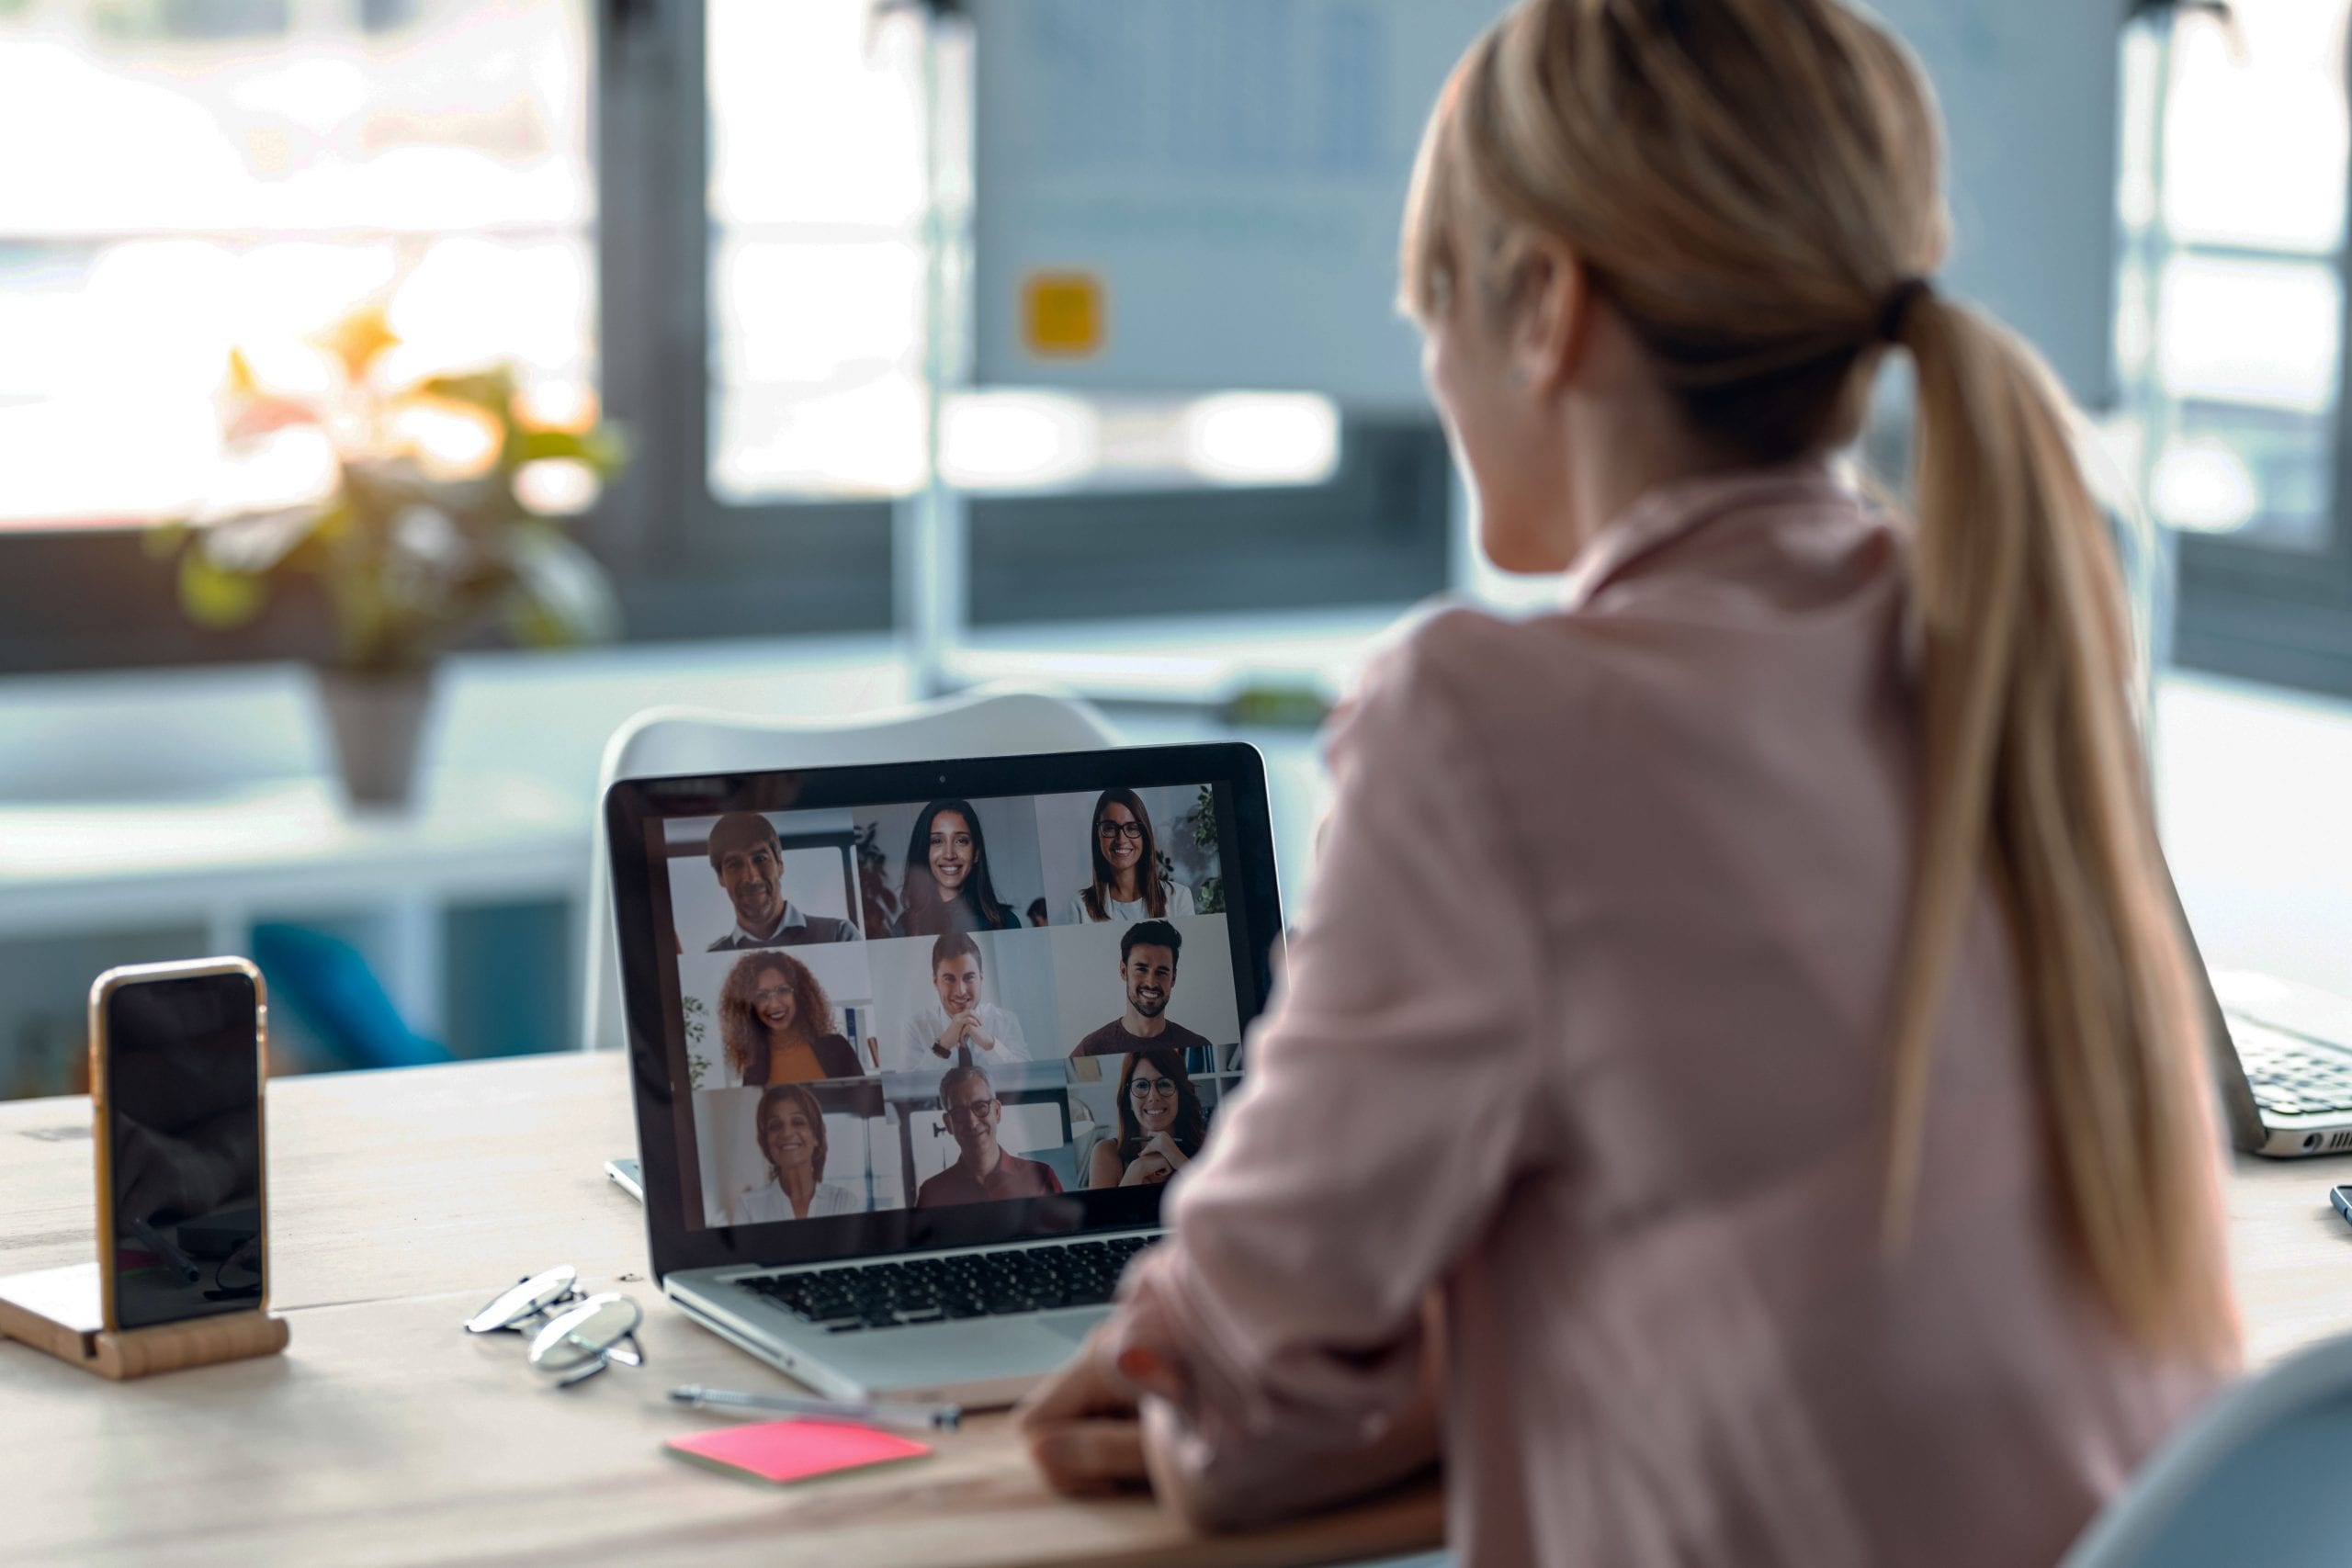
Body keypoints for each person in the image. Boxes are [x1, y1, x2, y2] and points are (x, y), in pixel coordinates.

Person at [1016, 3, 2238, 1562]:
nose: (1437, 376)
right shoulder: (1993, 632)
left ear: (1547, 312)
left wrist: (1214, 1385)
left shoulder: (1481, 722)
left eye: (1432, 309)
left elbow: (1249, 1391)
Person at [704, 812, 859, 951]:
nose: (751, 878)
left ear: (780, 865)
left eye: (760, 859)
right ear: (720, 878)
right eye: (735, 864)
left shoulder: (838, 935)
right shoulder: (713, 956)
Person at [913, 1065, 1064, 1208]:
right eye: (959, 1112)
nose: (972, 1122)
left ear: (997, 1112)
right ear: (948, 1123)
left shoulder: (1043, 1178)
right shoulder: (931, 1193)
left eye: (980, 1107)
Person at [718, 951, 865, 1085]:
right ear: (749, 1007)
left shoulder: (837, 1048)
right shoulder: (753, 1068)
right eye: (761, 996)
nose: (774, 1004)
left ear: (799, 995)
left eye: (782, 990)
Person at [1070, 920, 1212, 1058]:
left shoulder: (1199, 1045)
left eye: (1162, 972)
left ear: (1173, 978)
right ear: (1123, 971)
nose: (1151, 983)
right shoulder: (1090, 1050)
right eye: (1141, 969)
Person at [729, 1084, 863, 1224]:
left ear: (816, 1137)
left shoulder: (844, 1202)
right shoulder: (748, 1207)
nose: (787, 1133)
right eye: (775, 1126)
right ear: (766, 1142)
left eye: (798, 1122)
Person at [900, 931, 1033, 1070]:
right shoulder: (915, 1028)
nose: (961, 991)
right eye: (949, 979)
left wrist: (990, 1044)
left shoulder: (1005, 1021)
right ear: (935, 982)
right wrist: (941, 1047)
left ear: (981, 978)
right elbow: (906, 1088)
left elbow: (1029, 1078)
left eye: (969, 977)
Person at [1064, 789, 1196, 925]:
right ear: (1098, 836)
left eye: (1132, 828)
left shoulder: (1179, 898)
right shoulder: (1080, 906)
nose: (1121, 839)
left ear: (1144, 835)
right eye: (1110, 828)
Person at [896, 799, 1023, 937]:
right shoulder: (904, 927)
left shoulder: (1007, 923)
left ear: (976, 853)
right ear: (924, 852)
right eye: (937, 841)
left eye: (961, 841)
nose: (949, 854)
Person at [1085, 1046, 1206, 1190]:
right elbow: (1106, 1213)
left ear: (1180, 1095)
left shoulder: (1208, 1144)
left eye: (1164, 1084)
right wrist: (1137, 1169)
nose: (1153, 1097)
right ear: (1128, 1100)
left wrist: (1176, 1157)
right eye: (1141, 1085)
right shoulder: (1106, 1153)